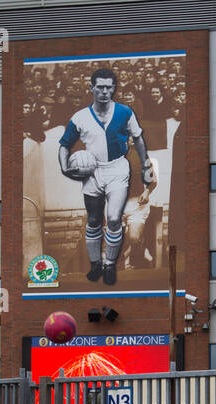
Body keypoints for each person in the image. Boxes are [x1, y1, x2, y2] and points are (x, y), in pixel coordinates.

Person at [57, 67, 154, 286]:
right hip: (92, 171)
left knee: (112, 218)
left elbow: (138, 139)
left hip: (117, 168)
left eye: (108, 87)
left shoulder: (125, 112)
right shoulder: (80, 117)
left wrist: (145, 161)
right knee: (93, 220)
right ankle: (95, 265)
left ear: (113, 89)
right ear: (91, 88)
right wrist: (64, 168)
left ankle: (110, 264)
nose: (104, 91)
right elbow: (64, 145)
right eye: (99, 87)